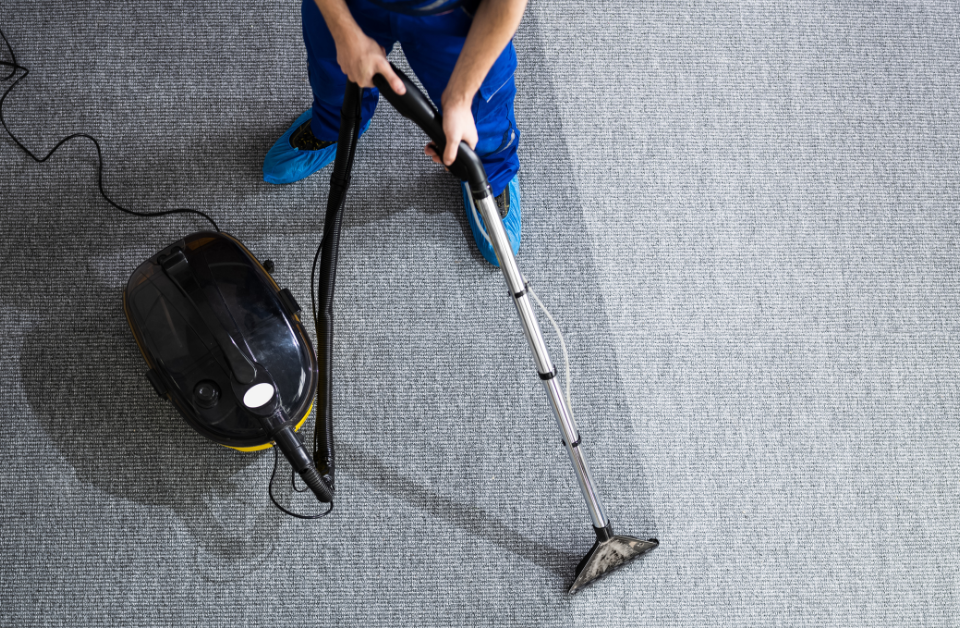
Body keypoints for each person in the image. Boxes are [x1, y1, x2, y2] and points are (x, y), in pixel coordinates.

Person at [262, 0, 527, 267]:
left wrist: (460, 97)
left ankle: (489, 172)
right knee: (335, 79)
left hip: (455, 13)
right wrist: (343, 29)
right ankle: (333, 128)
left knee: (481, 117)